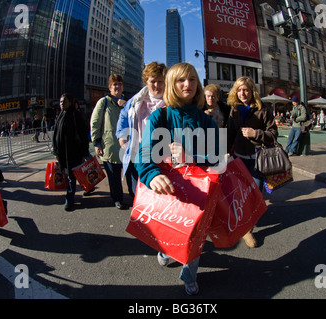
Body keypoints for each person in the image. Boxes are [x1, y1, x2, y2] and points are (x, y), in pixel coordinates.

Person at [135, 62, 220, 295]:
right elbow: (143, 154)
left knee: (195, 235)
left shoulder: (205, 120)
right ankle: (165, 250)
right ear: (172, 84)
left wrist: (192, 156)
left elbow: (217, 159)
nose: (188, 84)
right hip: (169, 190)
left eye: (193, 79)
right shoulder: (159, 117)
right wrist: (152, 175)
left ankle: (189, 275)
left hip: (199, 191)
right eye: (182, 80)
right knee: (172, 227)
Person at [226, 76, 278, 248]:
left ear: (252, 91)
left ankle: (248, 229)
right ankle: (245, 227)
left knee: (254, 195)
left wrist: (256, 134)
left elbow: (273, 134)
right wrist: (224, 152)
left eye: (246, 90)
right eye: (239, 90)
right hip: (239, 160)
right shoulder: (234, 109)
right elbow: (230, 133)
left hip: (257, 160)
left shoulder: (263, 109)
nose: (243, 93)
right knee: (240, 195)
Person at [116, 62, 167, 197]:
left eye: (160, 81)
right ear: (146, 81)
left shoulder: (172, 101)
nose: (157, 85)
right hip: (137, 153)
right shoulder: (137, 100)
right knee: (138, 193)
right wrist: (122, 136)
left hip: (162, 155)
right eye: (153, 81)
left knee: (160, 193)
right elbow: (123, 115)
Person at [90, 74, 127, 209]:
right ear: (110, 87)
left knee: (129, 173)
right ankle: (117, 199)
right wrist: (96, 143)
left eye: (120, 84)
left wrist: (127, 105)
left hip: (126, 145)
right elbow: (95, 123)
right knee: (114, 176)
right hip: (110, 145)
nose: (117, 87)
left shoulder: (127, 102)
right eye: (115, 84)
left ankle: (133, 196)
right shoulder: (104, 102)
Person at [52, 93, 91, 211]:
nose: (61, 104)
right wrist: (55, 151)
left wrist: (84, 151)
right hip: (63, 153)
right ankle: (88, 187)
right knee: (74, 174)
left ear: (70, 102)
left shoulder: (75, 115)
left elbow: (84, 134)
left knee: (71, 175)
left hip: (74, 152)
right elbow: (55, 134)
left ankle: (69, 198)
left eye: (64, 101)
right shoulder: (60, 115)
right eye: (60, 102)